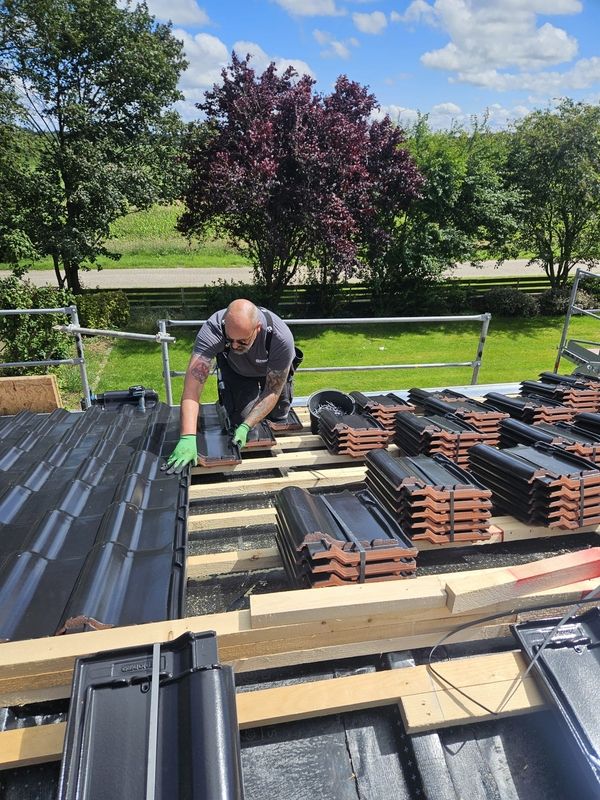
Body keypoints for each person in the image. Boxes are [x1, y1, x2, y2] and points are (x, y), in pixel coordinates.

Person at [163, 299, 299, 473]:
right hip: (238, 370)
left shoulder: (280, 338)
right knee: (241, 419)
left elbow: (272, 390)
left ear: (257, 328)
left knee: (280, 415)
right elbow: (192, 389)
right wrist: (188, 437)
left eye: (242, 341)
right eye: (230, 339)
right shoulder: (213, 329)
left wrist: (247, 426)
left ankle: (275, 418)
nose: (234, 345)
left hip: (272, 373)